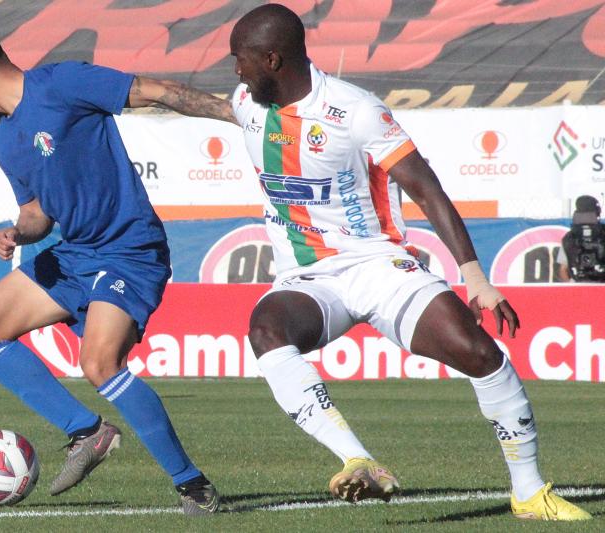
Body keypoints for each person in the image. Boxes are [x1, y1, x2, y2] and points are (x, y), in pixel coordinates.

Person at [228, 4, 590, 521]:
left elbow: (426, 190)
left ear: (272, 59)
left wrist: (475, 278)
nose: (234, 71)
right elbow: (183, 99)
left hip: (378, 266)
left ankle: (529, 493)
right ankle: (357, 459)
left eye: (240, 60)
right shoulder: (247, 101)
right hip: (310, 278)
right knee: (266, 330)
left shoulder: (354, 110)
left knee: (480, 353)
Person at [0, 23, 234, 515]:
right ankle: (87, 432)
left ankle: (194, 486)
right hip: (74, 254)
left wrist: (236, 114)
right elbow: (36, 212)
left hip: (129, 250)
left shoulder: (62, 83)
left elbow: (156, 91)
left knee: (98, 364)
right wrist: (19, 232)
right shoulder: (0, 137)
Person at [561, 195, 605, 282]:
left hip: (578, 286)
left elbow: (563, 269)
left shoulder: (568, 238)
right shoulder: (569, 238)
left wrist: (572, 287)